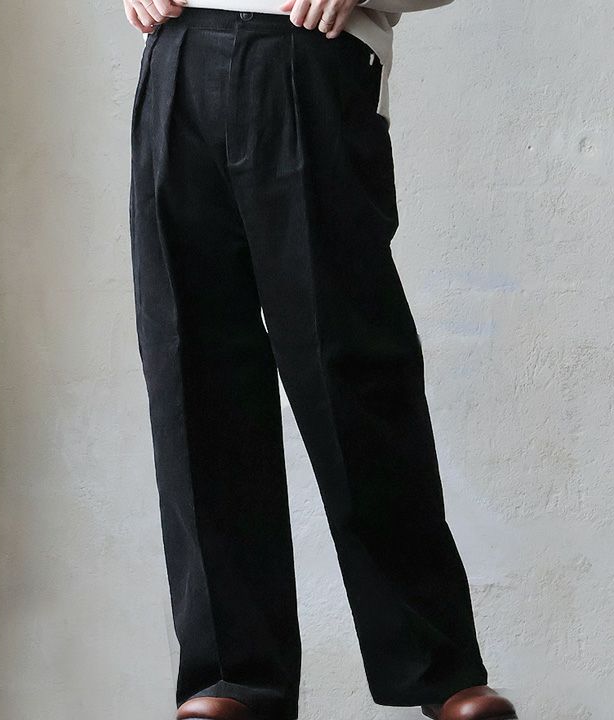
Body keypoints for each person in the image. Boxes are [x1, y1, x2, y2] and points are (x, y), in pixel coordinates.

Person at [125, 0, 519, 718]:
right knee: (192, 380)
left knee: (353, 375)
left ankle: (437, 666)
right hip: (177, 57)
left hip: (312, 56)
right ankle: (232, 676)